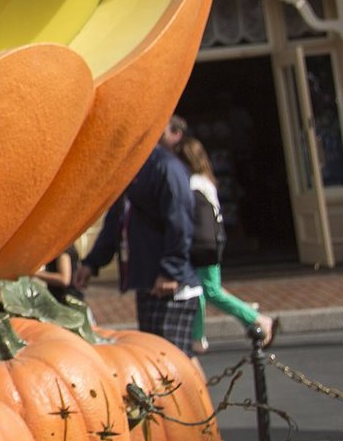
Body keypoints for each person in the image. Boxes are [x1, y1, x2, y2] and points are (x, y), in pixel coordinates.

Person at [78, 117, 199, 353]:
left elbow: (180, 222)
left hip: (170, 287)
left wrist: (170, 270)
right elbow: (116, 222)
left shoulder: (165, 167)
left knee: (171, 362)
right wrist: (92, 263)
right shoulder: (131, 170)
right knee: (156, 360)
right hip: (147, 283)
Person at [176, 135, 275, 353]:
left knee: (210, 291)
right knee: (202, 290)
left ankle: (256, 318)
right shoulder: (205, 180)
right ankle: (198, 336)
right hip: (211, 243)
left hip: (202, 245)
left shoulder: (192, 183)